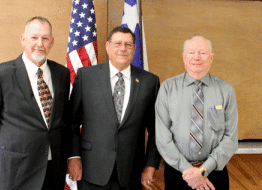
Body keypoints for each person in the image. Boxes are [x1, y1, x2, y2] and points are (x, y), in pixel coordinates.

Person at [0, 17, 71, 190]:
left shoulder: (62, 74)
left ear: (52, 42)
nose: (39, 43)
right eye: (34, 38)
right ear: (23, 39)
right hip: (15, 171)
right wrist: (5, 152)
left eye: (45, 38)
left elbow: (64, 120)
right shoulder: (0, 74)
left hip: (53, 170)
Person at [67, 26, 161, 190]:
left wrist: (151, 165)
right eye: (117, 43)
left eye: (128, 44)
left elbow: (157, 130)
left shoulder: (149, 82)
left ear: (134, 49)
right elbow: (72, 122)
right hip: (91, 170)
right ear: (108, 46)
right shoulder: (86, 76)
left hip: (132, 172)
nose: (123, 48)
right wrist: (74, 157)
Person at [155, 35, 238, 190]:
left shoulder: (226, 90)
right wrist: (188, 171)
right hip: (178, 173)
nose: (196, 58)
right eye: (191, 52)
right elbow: (162, 138)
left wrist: (203, 170)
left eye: (202, 53)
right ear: (184, 56)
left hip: (214, 172)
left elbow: (231, 138)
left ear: (212, 57)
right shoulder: (167, 88)